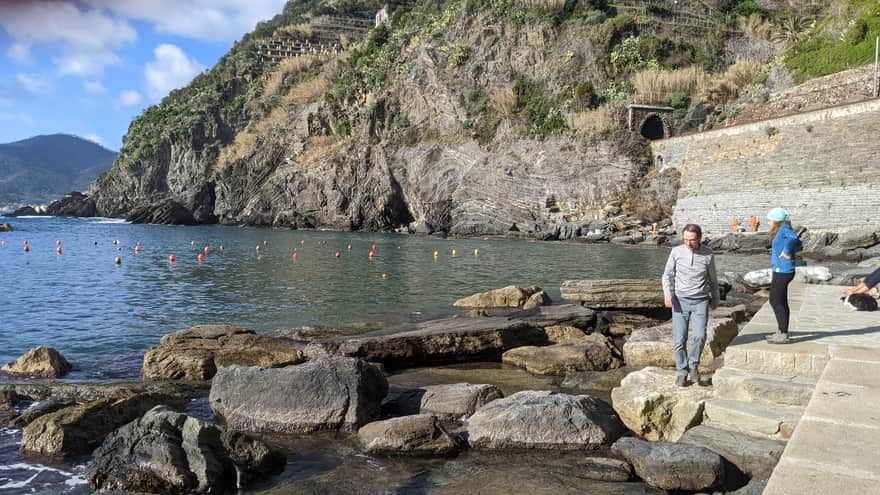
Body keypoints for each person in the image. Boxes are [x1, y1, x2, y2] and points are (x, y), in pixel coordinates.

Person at [662, 223, 720, 387]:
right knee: (679, 339)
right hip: (680, 301)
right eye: (685, 239)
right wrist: (668, 295)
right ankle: (682, 371)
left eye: (692, 240)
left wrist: (715, 298)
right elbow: (666, 276)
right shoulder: (676, 252)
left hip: (700, 301)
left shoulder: (708, 254)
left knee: (699, 336)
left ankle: (693, 365)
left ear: (699, 238)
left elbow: (713, 279)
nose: (688, 243)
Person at [766, 208, 802, 344]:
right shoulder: (782, 229)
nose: (768, 222)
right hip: (780, 269)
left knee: (775, 301)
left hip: (783, 271)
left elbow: (794, 238)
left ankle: (783, 333)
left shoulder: (784, 228)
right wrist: (790, 250)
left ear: (776, 220)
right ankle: (781, 331)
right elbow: (798, 244)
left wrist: (787, 251)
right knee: (780, 300)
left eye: (769, 220)